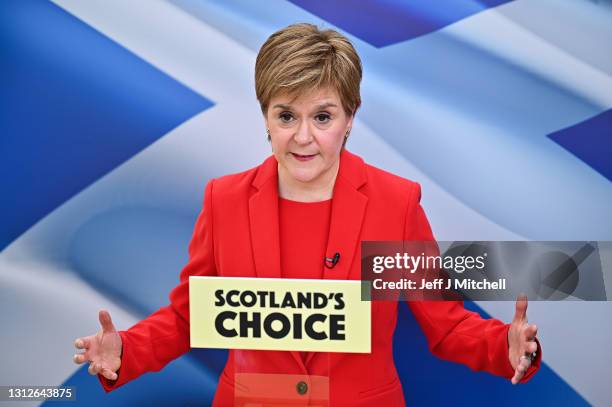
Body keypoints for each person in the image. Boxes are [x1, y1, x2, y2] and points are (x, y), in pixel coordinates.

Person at [73, 23, 541, 406]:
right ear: (265, 117)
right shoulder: (225, 200)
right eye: (286, 116)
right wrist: (126, 351)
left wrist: (507, 347)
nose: (302, 137)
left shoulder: (395, 203)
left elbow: (448, 324)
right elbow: (190, 317)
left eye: (322, 117)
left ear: (350, 117)